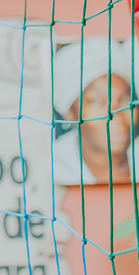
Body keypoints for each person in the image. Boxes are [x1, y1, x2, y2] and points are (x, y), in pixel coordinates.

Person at [51, 37, 137, 185]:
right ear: (70, 113)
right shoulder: (52, 167)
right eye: (97, 102)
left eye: (125, 100)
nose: (116, 116)